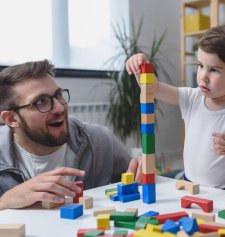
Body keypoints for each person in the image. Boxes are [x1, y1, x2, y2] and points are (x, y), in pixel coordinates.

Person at [126, 24, 225, 190]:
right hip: (189, 184)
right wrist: (141, 68)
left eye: (214, 70)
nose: (203, 77)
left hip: (224, 190)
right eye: (200, 66)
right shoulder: (192, 98)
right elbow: (154, 89)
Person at [0, 60, 142, 210]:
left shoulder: (99, 140)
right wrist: (5, 201)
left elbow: (135, 180)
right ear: (12, 119)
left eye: (58, 95)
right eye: (40, 101)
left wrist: (144, 172)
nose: (59, 108)